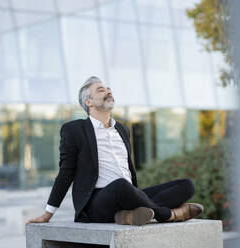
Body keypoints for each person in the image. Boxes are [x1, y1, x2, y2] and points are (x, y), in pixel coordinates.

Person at [27, 76, 203, 226]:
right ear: (88, 102)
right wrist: (47, 214)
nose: (108, 92)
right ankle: (169, 215)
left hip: (129, 194)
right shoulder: (74, 130)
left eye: (109, 89)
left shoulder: (122, 130)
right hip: (97, 202)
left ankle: (129, 215)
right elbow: (66, 172)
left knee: (186, 185)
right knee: (121, 185)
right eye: (101, 90)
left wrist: (136, 195)